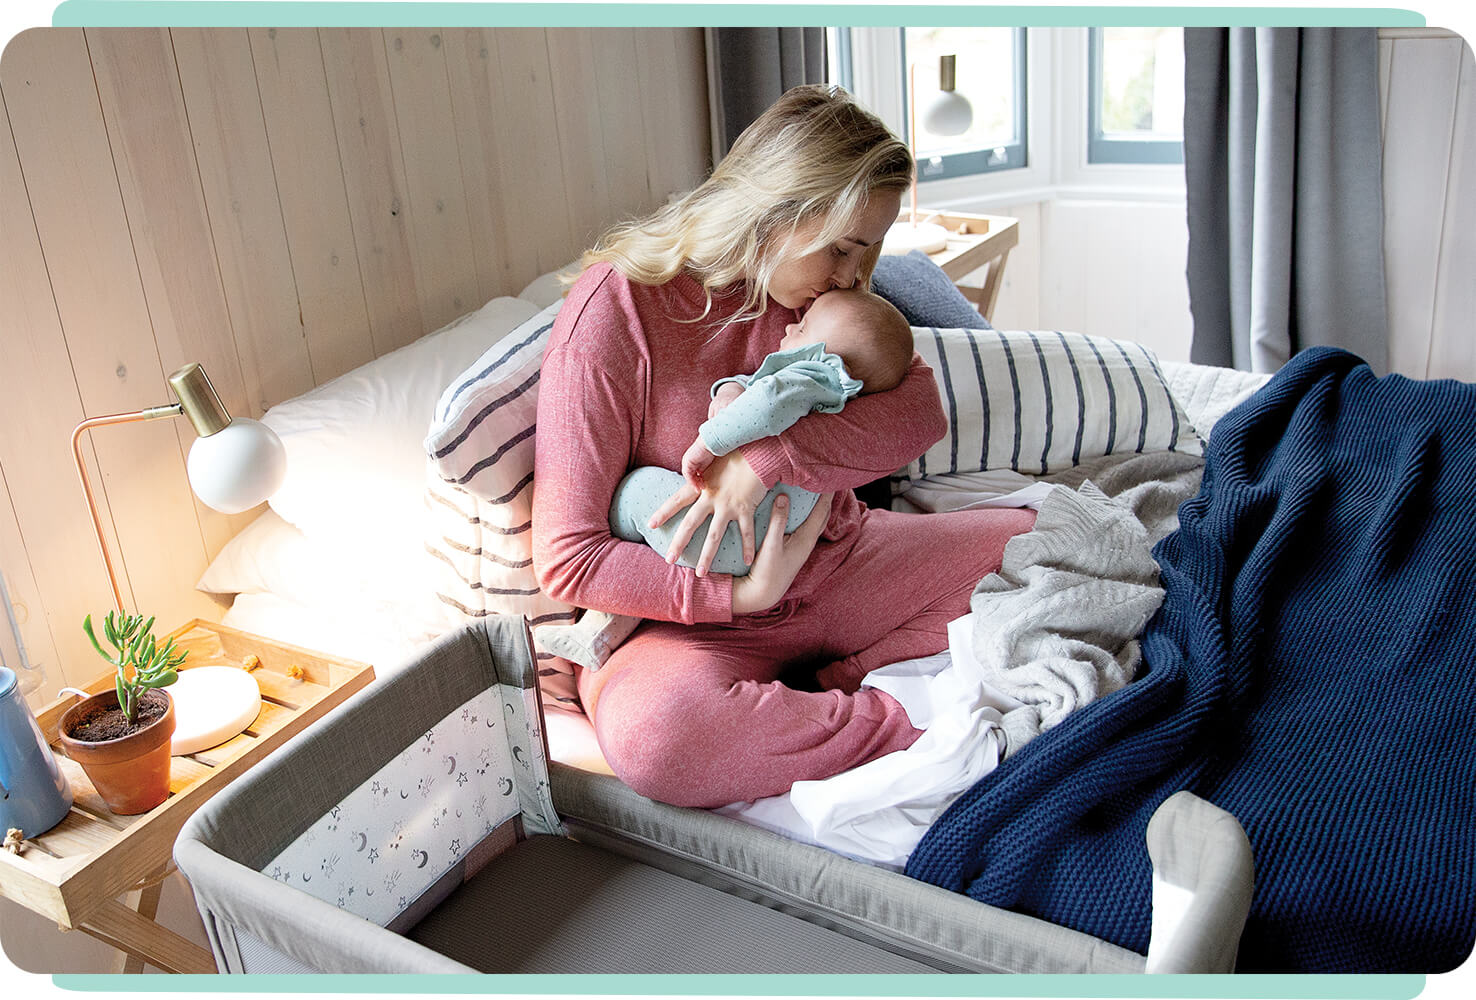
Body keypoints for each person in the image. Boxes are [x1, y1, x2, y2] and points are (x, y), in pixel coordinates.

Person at [531, 84, 1036, 809]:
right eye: (843, 247)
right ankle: (908, 728)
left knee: (1033, 544)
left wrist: (766, 460)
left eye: (872, 249)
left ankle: (840, 676)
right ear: (774, 212)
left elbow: (919, 413)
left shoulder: (819, 305)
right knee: (661, 739)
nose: (858, 276)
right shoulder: (617, 314)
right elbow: (567, 556)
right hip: (691, 625)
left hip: (839, 565)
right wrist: (742, 594)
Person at [607, 287, 915, 578]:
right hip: (751, 542)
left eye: (804, 329)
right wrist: (731, 390)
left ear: (830, 362)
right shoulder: (823, 397)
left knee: (635, 491)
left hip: (729, 532)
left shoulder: (819, 378)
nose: (790, 329)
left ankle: (623, 588)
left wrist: (708, 444)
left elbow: (769, 401)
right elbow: (760, 390)